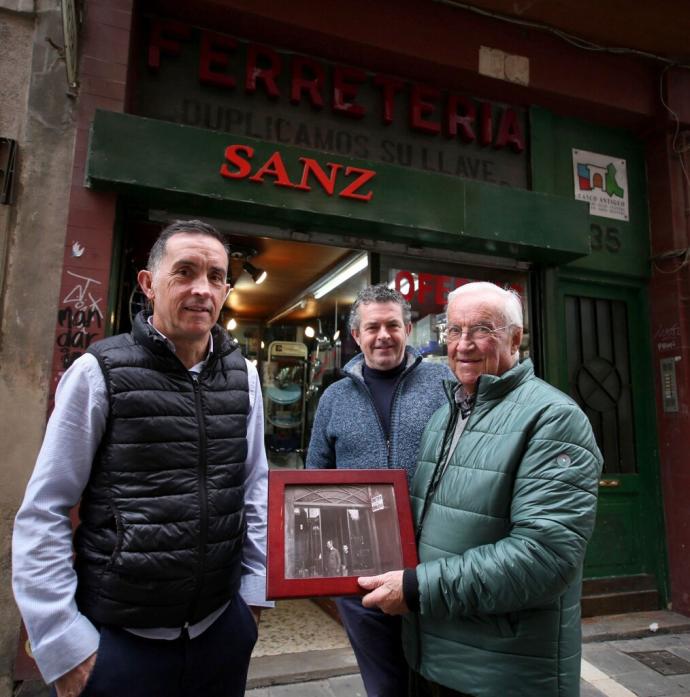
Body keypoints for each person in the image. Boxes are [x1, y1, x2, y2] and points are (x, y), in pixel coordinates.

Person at [12, 220, 272, 697]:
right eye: (185, 272)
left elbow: (254, 488)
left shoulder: (245, 376)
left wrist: (252, 600)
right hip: (118, 646)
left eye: (215, 276)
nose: (201, 289)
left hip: (220, 634)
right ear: (149, 284)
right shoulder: (97, 372)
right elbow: (44, 510)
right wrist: (62, 642)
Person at [358, 281, 603, 697]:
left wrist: (418, 589)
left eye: (482, 329)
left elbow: (545, 557)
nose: (463, 344)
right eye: (453, 330)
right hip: (432, 656)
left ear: (516, 337)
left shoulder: (554, 419)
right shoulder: (445, 416)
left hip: (503, 669)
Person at [306, 284, 453, 697]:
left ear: (408, 329)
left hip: (433, 564)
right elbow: (315, 476)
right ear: (357, 335)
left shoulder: (445, 383)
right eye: (372, 327)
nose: (383, 335)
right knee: (384, 685)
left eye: (392, 325)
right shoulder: (334, 398)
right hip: (361, 573)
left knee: (437, 681)